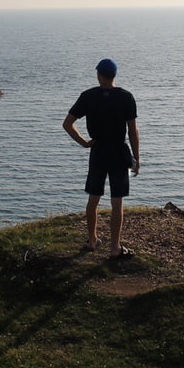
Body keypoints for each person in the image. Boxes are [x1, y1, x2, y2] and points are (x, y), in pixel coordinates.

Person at [62, 58, 140, 259]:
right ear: (114, 75)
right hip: (119, 153)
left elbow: (67, 124)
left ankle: (92, 240)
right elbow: (132, 132)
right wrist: (137, 158)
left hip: (98, 152)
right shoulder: (126, 97)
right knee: (117, 202)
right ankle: (115, 248)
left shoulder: (88, 96)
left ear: (99, 74)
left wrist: (84, 143)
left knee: (93, 198)